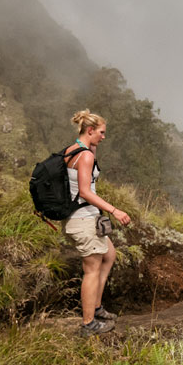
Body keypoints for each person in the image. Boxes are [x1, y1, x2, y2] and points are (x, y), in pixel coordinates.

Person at [61, 109, 131, 336]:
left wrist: (92, 146)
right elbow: (84, 190)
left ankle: (97, 306)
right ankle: (88, 323)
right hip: (83, 219)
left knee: (109, 255)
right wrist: (114, 210)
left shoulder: (72, 150)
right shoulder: (86, 156)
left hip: (80, 217)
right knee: (91, 269)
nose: (104, 136)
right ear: (90, 130)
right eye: (101, 132)